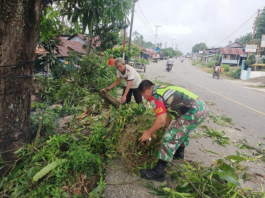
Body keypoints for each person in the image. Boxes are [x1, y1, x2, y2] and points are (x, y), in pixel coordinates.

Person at [138, 80, 208, 182]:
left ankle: (158, 173)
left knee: (169, 137)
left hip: (195, 110)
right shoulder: (161, 89)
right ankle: (179, 154)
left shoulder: (154, 96)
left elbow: (160, 120)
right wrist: (166, 127)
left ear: (146, 92)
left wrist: (148, 132)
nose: (144, 98)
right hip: (201, 108)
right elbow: (170, 112)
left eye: (143, 95)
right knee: (181, 130)